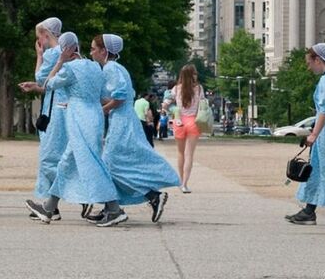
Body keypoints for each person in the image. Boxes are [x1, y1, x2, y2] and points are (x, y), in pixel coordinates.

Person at [20, 32, 126, 227]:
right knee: (66, 163)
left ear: (64, 49)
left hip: (79, 119)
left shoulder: (69, 68)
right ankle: (49, 208)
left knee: (92, 164)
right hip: (94, 117)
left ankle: (114, 209)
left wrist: (60, 61)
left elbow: (48, 84)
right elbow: (102, 96)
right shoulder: (94, 66)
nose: (91, 51)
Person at [87, 34, 179, 223]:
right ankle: (111, 207)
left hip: (122, 122)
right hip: (122, 119)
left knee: (110, 164)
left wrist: (101, 110)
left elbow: (120, 97)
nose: (91, 52)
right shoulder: (115, 68)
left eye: (93, 48)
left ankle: (151, 196)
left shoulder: (111, 68)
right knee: (112, 164)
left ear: (104, 51)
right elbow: (118, 97)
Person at [286, 43, 325, 225]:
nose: (308, 67)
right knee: (319, 170)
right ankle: (310, 210)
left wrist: (313, 135)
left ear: (318, 60)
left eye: (309, 63)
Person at [27, 17, 71, 221]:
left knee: (48, 157)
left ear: (45, 35)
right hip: (60, 106)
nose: (39, 41)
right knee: (56, 155)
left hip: (55, 110)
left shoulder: (52, 53)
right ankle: (51, 206)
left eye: (39, 37)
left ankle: (73, 193)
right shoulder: (65, 51)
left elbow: (40, 78)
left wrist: (39, 55)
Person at [174, 64, 203, 194]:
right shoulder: (199, 89)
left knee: (180, 153)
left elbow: (167, 103)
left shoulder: (176, 89)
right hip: (193, 122)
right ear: (192, 75)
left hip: (179, 122)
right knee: (189, 154)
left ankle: (180, 182)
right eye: (195, 73)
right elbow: (203, 103)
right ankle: (185, 184)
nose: (196, 75)